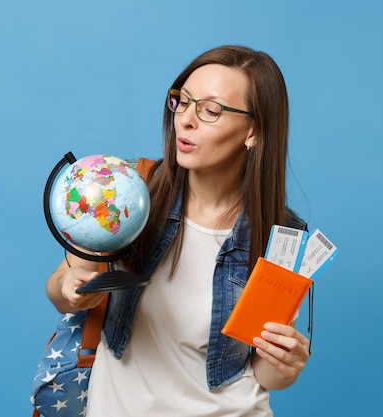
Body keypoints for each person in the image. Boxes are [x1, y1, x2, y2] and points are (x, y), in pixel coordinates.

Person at [46, 45, 311, 417]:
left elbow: (263, 375)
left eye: (211, 110)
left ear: (254, 131)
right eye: (182, 102)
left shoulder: (279, 234)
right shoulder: (127, 190)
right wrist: (70, 289)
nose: (186, 120)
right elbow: (59, 286)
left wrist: (286, 364)